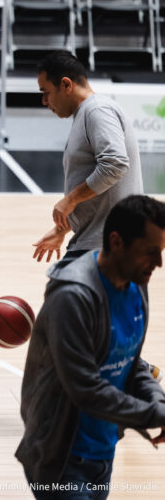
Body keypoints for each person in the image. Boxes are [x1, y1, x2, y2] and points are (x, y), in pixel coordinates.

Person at [18, 195, 165, 498]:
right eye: (150, 252)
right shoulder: (72, 297)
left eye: (161, 252)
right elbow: (85, 389)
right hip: (62, 458)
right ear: (116, 242)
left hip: (103, 453)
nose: (159, 264)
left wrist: (158, 401)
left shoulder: (136, 285)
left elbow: (130, 362)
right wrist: (153, 414)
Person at [32, 51, 142, 265]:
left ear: (66, 84)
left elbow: (115, 164)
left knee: (61, 285)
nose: (44, 101)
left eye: (46, 92)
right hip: (99, 242)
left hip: (108, 247)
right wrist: (61, 229)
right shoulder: (88, 113)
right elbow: (99, 198)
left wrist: (70, 199)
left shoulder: (97, 111)